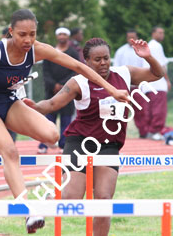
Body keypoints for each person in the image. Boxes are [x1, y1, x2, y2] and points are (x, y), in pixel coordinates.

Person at [0, 9, 129, 234]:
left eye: (32, 34)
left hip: (11, 102)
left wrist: (113, 90)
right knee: (10, 151)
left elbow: (80, 67)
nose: (28, 40)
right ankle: (27, 210)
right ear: (11, 32)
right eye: (22, 34)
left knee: (52, 135)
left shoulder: (37, 50)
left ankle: (3, 131)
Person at [24, 38, 163, 236]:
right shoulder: (78, 82)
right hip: (81, 142)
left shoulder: (124, 73)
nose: (103, 63)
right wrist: (35, 107)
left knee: (104, 202)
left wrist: (148, 57)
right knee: (72, 198)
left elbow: (157, 74)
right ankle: (42, 206)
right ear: (87, 61)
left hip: (109, 144)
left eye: (106, 58)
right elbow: (53, 104)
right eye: (97, 60)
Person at [38, 27, 79, 154]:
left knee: (66, 121)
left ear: (68, 37)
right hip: (51, 92)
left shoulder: (73, 53)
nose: (62, 36)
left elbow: (75, 70)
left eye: (64, 34)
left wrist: (64, 85)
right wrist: (54, 85)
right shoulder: (49, 52)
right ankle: (45, 145)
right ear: (57, 36)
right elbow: (45, 72)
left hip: (67, 93)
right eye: (59, 34)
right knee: (48, 120)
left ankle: (63, 146)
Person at [137, 26, 171, 140]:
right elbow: (161, 66)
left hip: (147, 83)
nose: (162, 35)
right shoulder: (157, 46)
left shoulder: (148, 46)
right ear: (153, 33)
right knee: (159, 108)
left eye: (163, 33)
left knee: (150, 108)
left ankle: (150, 131)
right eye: (160, 32)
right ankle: (155, 131)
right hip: (157, 82)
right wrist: (166, 80)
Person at [113, 29, 147, 138]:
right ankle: (119, 134)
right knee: (121, 111)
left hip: (137, 86)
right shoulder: (120, 51)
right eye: (129, 37)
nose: (131, 39)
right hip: (124, 86)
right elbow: (116, 68)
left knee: (141, 110)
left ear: (136, 37)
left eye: (133, 37)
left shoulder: (142, 50)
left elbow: (145, 68)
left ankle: (143, 133)